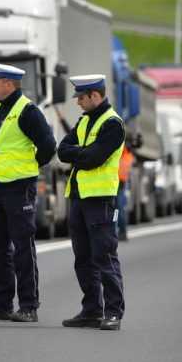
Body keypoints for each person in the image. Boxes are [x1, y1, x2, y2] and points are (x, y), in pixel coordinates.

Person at [0, 62, 56, 323]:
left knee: (22, 246)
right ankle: (2, 303)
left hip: (19, 187)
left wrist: (28, 168)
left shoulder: (27, 111)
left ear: (8, 83)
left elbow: (48, 145)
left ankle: (29, 305)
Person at [57, 74, 126, 331]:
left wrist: (80, 155)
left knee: (104, 256)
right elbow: (62, 150)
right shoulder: (85, 121)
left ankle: (113, 312)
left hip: (100, 200)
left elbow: (94, 158)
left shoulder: (113, 124)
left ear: (95, 96)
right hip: (78, 197)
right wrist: (80, 154)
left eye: (81, 98)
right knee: (83, 258)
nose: (77, 103)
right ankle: (91, 310)